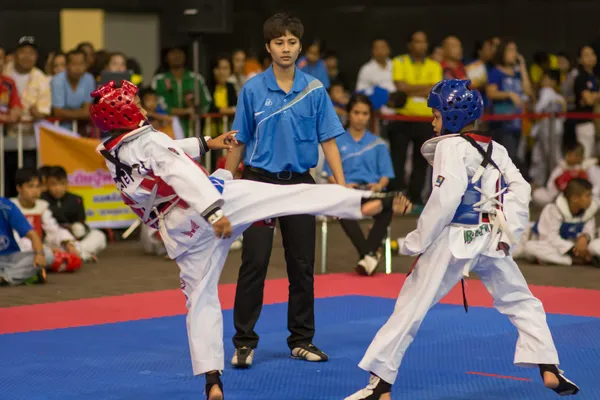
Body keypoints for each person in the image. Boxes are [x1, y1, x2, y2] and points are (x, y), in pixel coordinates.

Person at [89, 79, 411, 400]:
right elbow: (180, 173)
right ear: (126, 113)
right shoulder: (150, 143)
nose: (143, 107)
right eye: (136, 104)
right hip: (206, 206)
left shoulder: (114, 151)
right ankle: (361, 203)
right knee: (284, 197)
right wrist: (214, 213)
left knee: (200, 301)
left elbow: (168, 152)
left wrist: (207, 143)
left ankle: (212, 379)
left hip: (177, 233)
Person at [345, 79, 580, 400]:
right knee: (521, 301)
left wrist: (415, 241)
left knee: (411, 307)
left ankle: (379, 387)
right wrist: (509, 233)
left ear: (452, 117)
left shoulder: (449, 147)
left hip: (455, 238)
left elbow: (445, 198)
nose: (432, 121)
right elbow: (521, 189)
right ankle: (548, 365)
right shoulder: (496, 148)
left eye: (436, 115)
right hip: (492, 236)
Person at [224, 12, 349, 368]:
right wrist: (223, 185)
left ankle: (301, 340)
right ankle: (244, 342)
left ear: (299, 46)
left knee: (302, 266)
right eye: (279, 42)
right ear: (268, 47)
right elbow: (238, 141)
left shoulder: (314, 89)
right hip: (259, 185)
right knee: (254, 263)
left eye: (292, 42)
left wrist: (340, 188)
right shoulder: (252, 89)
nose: (285, 48)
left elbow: (329, 141)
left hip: (300, 186)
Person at [323, 94, 395, 276]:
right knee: (342, 208)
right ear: (349, 114)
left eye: (365, 113)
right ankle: (370, 254)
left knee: (391, 201)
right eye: (356, 112)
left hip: (373, 194)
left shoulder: (378, 143)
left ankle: (367, 255)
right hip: (348, 193)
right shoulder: (336, 142)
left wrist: (378, 186)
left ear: (370, 116)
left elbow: (386, 176)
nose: (360, 117)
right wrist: (344, 185)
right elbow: (329, 173)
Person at [11, 168, 82, 272]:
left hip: (40, 249)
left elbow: (54, 231)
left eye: (38, 186)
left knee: (70, 246)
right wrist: (43, 249)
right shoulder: (10, 207)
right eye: (30, 186)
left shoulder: (42, 206)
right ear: (19, 188)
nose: (35, 191)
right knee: (47, 255)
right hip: (18, 251)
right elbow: (17, 240)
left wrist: (67, 243)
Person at [517, 178, 600, 267]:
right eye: (588, 196)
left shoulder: (588, 211)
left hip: (573, 247)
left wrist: (584, 238)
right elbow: (550, 238)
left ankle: (578, 257)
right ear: (575, 198)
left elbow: (589, 231)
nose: (591, 199)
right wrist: (573, 249)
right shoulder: (553, 209)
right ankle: (572, 260)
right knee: (530, 247)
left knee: (595, 245)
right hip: (544, 243)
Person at [41, 166, 107, 262]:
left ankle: (73, 254)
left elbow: (82, 226)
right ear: (47, 185)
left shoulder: (76, 200)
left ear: (67, 184)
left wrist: (75, 230)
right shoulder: (42, 200)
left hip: (74, 240)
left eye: (62, 184)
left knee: (99, 236)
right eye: (53, 184)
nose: (58, 188)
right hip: (53, 239)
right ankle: (80, 255)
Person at [532, 141, 600, 206]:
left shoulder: (589, 167)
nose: (570, 157)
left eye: (574, 155)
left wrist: (584, 195)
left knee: (595, 200)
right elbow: (550, 185)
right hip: (562, 196)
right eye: (568, 154)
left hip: (582, 198)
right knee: (538, 194)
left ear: (581, 157)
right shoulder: (561, 167)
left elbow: (597, 187)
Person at [0, 196, 47, 286]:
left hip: (11, 258)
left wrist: (40, 254)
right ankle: (24, 275)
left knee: (48, 254)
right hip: (12, 265)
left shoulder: (6, 206)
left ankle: (6, 277)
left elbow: (33, 235)